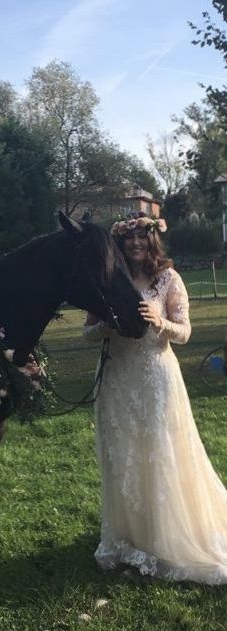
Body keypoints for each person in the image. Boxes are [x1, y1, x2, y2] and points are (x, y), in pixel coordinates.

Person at [83, 212, 227, 584]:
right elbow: (86, 333)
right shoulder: (107, 280)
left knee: (160, 453)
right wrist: (106, 326)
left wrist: (161, 322)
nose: (135, 244)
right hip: (117, 378)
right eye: (128, 238)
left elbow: (185, 332)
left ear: (152, 240)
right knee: (124, 457)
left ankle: (166, 535)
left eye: (142, 238)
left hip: (155, 378)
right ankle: (130, 534)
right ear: (119, 243)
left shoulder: (168, 279)